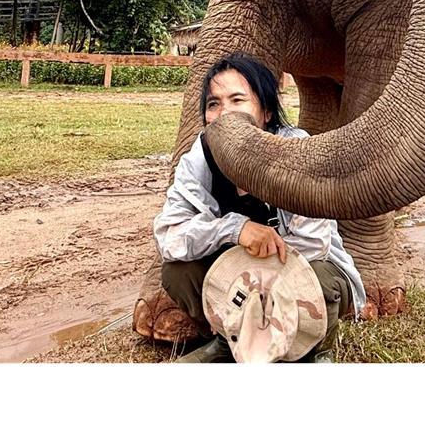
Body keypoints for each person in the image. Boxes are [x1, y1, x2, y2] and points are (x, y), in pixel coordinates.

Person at [155, 52, 366, 363]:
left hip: (297, 268)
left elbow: (314, 243)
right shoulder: (201, 155)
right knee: (179, 272)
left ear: (266, 112)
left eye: (237, 100)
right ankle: (229, 339)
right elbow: (169, 234)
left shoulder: (297, 149)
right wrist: (236, 230)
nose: (224, 113)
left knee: (322, 279)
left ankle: (312, 346)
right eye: (213, 104)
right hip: (237, 279)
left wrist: (260, 249)